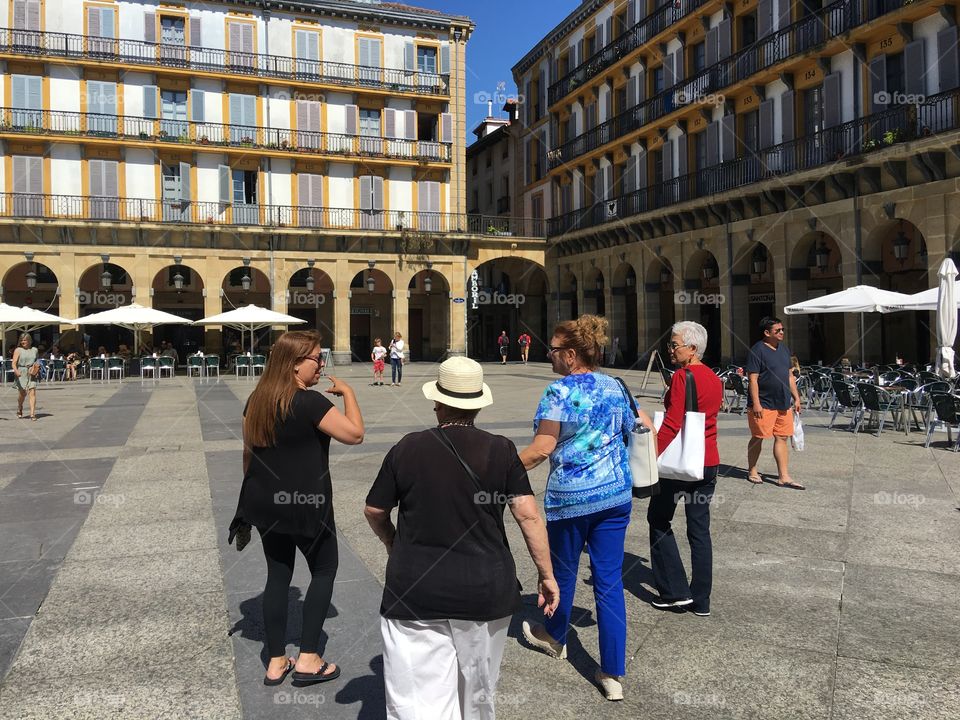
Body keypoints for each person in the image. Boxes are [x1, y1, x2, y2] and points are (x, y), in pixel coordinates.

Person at [364, 357, 559, 720]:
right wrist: (546, 576)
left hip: (415, 589)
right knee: (478, 693)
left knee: (415, 701)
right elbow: (528, 515)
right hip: (484, 588)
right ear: (478, 405)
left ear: (436, 402)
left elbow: (375, 511)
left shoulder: (407, 448)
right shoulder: (500, 450)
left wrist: (393, 543)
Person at [518, 315, 652, 701]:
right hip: (614, 496)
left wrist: (503, 469)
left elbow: (543, 448)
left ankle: (553, 636)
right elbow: (644, 425)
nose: (551, 356)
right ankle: (611, 673)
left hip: (572, 498)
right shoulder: (616, 386)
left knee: (561, 571)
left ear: (572, 355)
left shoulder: (559, 392)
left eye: (555, 350)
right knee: (609, 583)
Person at [231, 330, 365, 687]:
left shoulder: (256, 400)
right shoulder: (310, 403)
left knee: (278, 575)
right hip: (307, 505)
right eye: (317, 359)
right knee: (324, 570)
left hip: (264, 503)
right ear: (293, 365)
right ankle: (308, 658)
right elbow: (354, 434)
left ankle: (276, 662)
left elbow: (248, 454)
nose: (322, 364)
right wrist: (349, 394)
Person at [647, 321, 723, 616]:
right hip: (708, 462)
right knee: (699, 530)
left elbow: (671, 423)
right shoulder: (714, 378)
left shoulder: (682, 376)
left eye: (674, 344)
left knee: (658, 519)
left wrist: (651, 456)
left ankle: (674, 592)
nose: (671, 349)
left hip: (679, 465)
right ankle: (701, 599)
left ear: (692, 349)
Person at [746, 316, 804, 489]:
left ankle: (783, 476)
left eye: (782, 330)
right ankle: (752, 470)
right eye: (778, 330)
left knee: (782, 437)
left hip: (783, 402)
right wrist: (756, 403)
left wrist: (797, 397)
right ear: (766, 332)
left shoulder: (784, 349)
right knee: (758, 437)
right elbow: (753, 379)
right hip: (763, 403)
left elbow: (789, 375)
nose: (782, 333)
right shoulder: (757, 350)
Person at [12, 334, 40, 420]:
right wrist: (16, 371)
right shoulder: (18, 350)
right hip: (21, 372)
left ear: (30, 340)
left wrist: (37, 369)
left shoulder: (35, 350)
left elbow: (37, 361)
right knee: (22, 394)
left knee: (32, 392)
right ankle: (20, 407)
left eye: (25, 340)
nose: (23, 342)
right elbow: (13, 363)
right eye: (22, 340)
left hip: (31, 372)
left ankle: (32, 414)